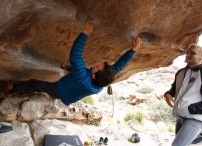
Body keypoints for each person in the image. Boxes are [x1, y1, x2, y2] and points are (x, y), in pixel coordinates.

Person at [11, 20, 142, 105]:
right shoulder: (101, 80)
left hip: (59, 91)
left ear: (94, 75)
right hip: (72, 89)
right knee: (74, 71)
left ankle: (13, 89)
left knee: (36, 84)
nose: (98, 64)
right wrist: (133, 50)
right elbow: (119, 66)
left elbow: (75, 55)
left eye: (98, 67)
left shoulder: (82, 76)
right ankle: (68, 70)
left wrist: (85, 33)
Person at [164, 44, 202, 146]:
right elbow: (174, 89)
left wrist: (190, 109)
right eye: (187, 52)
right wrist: (168, 94)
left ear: (201, 57)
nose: (188, 55)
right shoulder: (181, 72)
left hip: (195, 118)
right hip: (180, 116)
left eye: (192, 53)